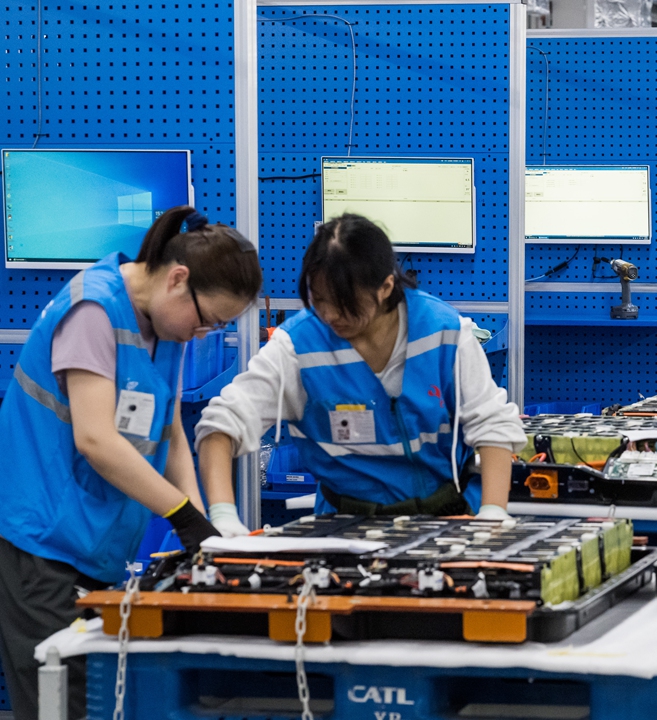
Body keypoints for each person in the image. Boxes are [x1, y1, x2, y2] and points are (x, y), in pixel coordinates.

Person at [0, 207, 262, 719]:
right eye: (209, 320)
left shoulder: (164, 327)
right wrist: (183, 516)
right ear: (177, 279)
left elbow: (169, 433)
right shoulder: (93, 311)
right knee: (64, 707)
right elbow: (96, 438)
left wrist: (204, 525)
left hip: (94, 550)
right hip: (42, 549)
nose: (204, 333)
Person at [196, 214, 525, 525]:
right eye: (319, 299)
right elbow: (222, 424)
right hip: (343, 528)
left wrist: (493, 514)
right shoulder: (298, 346)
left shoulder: (445, 333)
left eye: (345, 302)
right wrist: (224, 516)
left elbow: (492, 426)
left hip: (445, 520)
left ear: (385, 287)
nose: (330, 315)